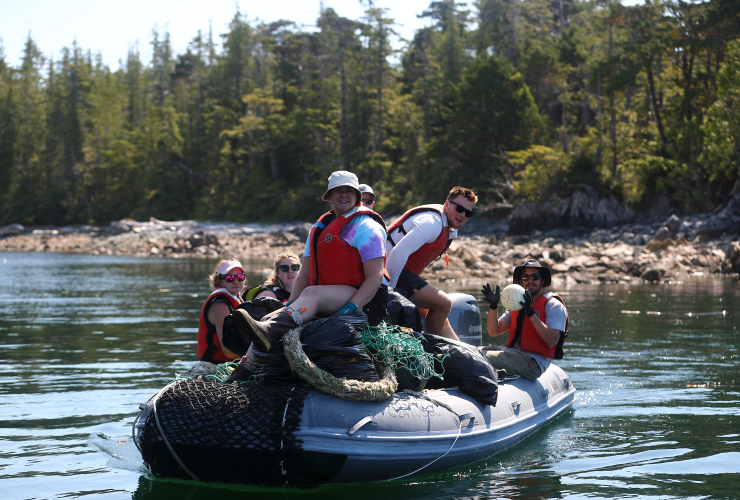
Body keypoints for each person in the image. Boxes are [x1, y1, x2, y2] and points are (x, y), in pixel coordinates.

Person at [233, 170, 388, 353]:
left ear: (357, 197)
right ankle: (243, 370)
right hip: (329, 297)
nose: (344, 194)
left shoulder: (367, 227)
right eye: (339, 190)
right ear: (329, 196)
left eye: (350, 190)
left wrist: (350, 308)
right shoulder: (320, 229)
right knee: (269, 320)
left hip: (366, 302)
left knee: (311, 294)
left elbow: (375, 278)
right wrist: (289, 305)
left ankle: (269, 330)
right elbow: (305, 273)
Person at [384, 186, 477, 340]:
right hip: (388, 269)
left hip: (402, 272)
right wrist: (388, 292)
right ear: (447, 205)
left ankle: (468, 356)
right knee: (443, 303)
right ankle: (431, 353)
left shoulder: (449, 225)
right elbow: (398, 253)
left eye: (468, 213)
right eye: (459, 208)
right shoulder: (431, 223)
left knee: (441, 316)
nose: (462, 215)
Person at [479, 259, 569, 381]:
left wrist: (531, 314)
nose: (530, 281)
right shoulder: (517, 304)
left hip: (534, 362)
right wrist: (493, 307)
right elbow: (493, 331)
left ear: (542, 280)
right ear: (521, 281)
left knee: (478, 356)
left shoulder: (553, 305)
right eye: (526, 277)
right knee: (473, 351)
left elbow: (552, 340)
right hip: (512, 355)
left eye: (535, 276)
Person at [197, 260, 246, 363]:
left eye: (240, 277)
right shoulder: (220, 306)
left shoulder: (237, 298)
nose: (236, 281)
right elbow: (228, 351)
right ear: (219, 281)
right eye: (230, 278)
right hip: (216, 365)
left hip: (232, 362)